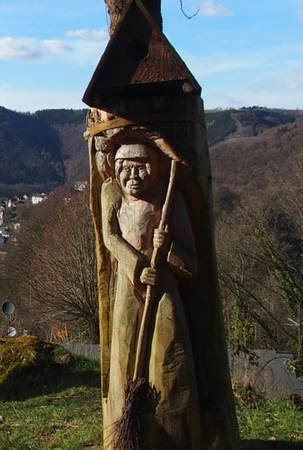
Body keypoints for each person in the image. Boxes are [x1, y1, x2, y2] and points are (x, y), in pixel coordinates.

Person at [100, 141, 201, 448]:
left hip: (162, 289)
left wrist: (167, 246)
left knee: (169, 353)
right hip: (128, 288)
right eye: (125, 169)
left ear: (154, 170)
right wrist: (136, 266)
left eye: (140, 168)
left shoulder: (170, 201)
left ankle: (175, 433)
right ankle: (124, 429)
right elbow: (110, 237)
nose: (133, 176)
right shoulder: (111, 195)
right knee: (125, 354)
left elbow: (193, 264)